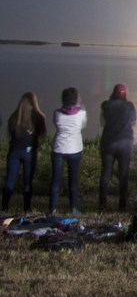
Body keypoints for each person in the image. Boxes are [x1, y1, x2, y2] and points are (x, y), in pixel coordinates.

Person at [3, 92, 47, 213]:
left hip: (14, 152)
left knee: (10, 181)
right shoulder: (38, 117)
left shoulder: (14, 117)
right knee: (28, 182)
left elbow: (10, 135)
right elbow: (42, 134)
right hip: (29, 152)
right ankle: (27, 208)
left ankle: (4, 207)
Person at [48, 87, 87, 216]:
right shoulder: (81, 114)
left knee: (55, 180)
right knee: (73, 180)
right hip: (75, 148)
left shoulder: (57, 113)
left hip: (58, 148)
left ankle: (52, 209)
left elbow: (56, 125)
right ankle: (74, 208)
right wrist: (81, 105)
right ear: (76, 99)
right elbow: (83, 125)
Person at [98, 83, 137, 212]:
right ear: (125, 94)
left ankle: (103, 203)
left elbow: (102, 123)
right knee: (123, 174)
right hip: (125, 142)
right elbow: (133, 121)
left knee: (106, 173)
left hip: (109, 142)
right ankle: (122, 204)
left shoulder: (106, 106)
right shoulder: (130, 106)